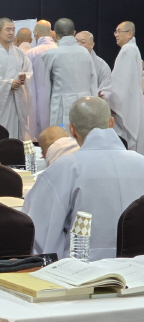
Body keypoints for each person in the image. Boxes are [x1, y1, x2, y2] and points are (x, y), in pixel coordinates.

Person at [23, 96, 144, 261]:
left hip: (84, 270)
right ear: (111, 123)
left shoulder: (65, 168)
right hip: (139, 268)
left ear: (72, 130)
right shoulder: (141, 162)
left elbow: (38, 231)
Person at [42, 18, 97, 129]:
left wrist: (45, 110)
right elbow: (93, 81)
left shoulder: (51, 54)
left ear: (55, 35)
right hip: (85, 103)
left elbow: (46, 86)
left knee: (63, 134)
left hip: (61, 105)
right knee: (83, 133)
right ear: (74, 33)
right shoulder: (85, 52)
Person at [109, 21, 144, 153]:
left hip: (128, 103)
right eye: (115, 31)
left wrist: (108, 98)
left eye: (119, 31)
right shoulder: (132, 49)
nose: (116, 35)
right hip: (133, 101)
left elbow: (120, 83)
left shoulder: (128, 50)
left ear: (130, 34)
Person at [26, 20, 58, 139]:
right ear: (50, 32)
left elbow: (29, 82)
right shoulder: (58, 49)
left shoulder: (32, 53)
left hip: (38, 97)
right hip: (58, 97)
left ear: (35, 33)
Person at [75, 31, 112, 100]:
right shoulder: (67, 61)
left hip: (93, 102)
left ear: (92, 45)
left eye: (82, 42)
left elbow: (106, 88)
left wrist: (96, 95)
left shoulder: (102, 65)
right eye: (76, 42)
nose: (78, 45)